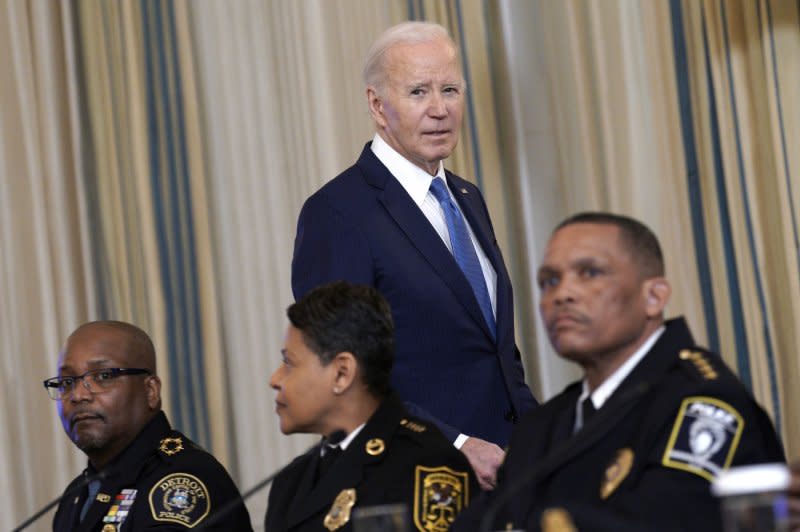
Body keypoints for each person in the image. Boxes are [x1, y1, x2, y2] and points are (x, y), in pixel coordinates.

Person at [291, 20, 536, 489]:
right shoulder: (338, 212)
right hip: (413, 480)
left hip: (506, 476)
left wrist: (540, 435)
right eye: (419, 92)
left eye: (450, 89)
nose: (440, 110)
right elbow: (344, 374)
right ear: (377, 105)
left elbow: (496, 353)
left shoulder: (466, 197)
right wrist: (458, 443)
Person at [455, 212, 785, 531]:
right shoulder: (541, 426)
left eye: (590, 273)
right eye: (549, 281)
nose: (562, 294)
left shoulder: (702, 400)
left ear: (654, 297)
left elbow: (668, 521)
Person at [265, 281, 478, 531]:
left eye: (289, 363)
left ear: (342, 373)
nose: (275, 380)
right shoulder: (290, 484)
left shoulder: (426, 466)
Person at [48, 320, 252, 531]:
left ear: (150, 391)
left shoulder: (181, 480)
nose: (78, 395)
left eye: (103, 376)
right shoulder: (75, 495)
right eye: (66, 382)